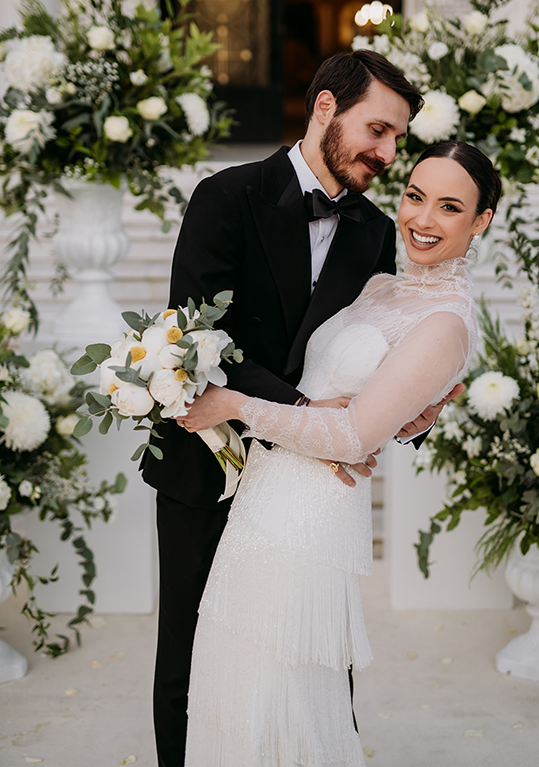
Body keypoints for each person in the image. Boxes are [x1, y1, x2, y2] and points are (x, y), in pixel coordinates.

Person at [141, 50, 457, 767]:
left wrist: (411, 413)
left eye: (397, 138)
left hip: (308, 491)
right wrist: (310, 413)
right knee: (188, 654)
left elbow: (376, 354)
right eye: (377, 130)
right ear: (324, 107)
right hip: (209, 460)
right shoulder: (226, 196)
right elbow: (199, 337)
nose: (388, 154)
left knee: (314, 659)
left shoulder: (375, 232)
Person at [179, 140, 502, 765]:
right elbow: (339, 392)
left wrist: (236, 404)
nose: (422, 219)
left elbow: (353, 436)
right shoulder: (382, 285)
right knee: (236, 685)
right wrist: (404, 419)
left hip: (315, 512)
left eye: (449, 207)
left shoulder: (446, 322)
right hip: (266, 493)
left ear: (480, 220)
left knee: (287, 697)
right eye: (415, 196)